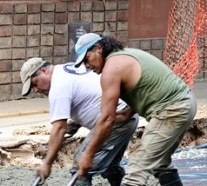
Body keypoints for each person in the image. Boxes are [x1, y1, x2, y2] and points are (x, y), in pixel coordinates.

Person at [73, 33, 197, 186]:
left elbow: (107, 119)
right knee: (160, 163)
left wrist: (88, 155)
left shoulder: (111, 69)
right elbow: (147, 85)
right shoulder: (124, 56)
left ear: (98, 48)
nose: (87, 66)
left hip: (172, 109)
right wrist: (128, 112)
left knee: (136, 170)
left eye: (87, 59)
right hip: (186, 102)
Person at [20, 57, 138, 186]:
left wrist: (47, 163)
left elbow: (59, 128)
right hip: (127, 115)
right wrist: (78, 122)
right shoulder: (67, 69)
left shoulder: (58, 87)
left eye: (35, 84)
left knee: (80, 167)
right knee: (110, 166)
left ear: (44, 71)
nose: (36, 90)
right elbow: (89, 94)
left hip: (117, 119)